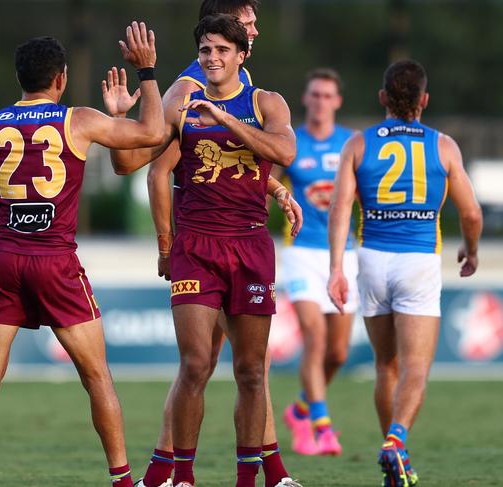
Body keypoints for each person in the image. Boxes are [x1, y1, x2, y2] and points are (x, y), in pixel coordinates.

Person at [0, 25, 163, 487]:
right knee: (97, 377)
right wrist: (145, 71)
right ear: (61, 79)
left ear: (19, 78)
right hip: (55, 263)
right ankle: (123, 480)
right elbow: (153, 130)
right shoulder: (79, 120)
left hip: (4, 260)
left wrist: (15, 200)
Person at [107, 14, 299, 487]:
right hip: (196, 244)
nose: (212, 59)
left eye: (222, 51)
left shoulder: (266, 102)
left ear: (242, 55)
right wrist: (117, 120)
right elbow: (131, 164)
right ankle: (183, 477)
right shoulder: (183, 102)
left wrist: (227, 121)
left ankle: (248, 479)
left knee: (252, 371)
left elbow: (285, 153)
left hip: (251, 245)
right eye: (206, 50)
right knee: (195, 364)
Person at [327, 59, 482, 487]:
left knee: (385, 365)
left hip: (372, 258)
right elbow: (470, 213)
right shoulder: (444, 146)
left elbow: (340, 207)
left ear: (382, 99)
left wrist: (336, 267)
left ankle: (396, 460)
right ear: (424, 101)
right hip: (418, 262)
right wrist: (470, 251)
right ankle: (396, 440)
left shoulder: (358, 144)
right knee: (416, 366)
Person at [277, 68, 356, 456]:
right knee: (315, 336)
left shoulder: (350, 145)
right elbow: (266, 185)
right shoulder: (292, 144)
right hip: (302, 251)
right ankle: (322, 426)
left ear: (337, 102)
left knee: (338, 353)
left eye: (328, 95)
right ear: (305, 100)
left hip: (344, 253)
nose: (321, 101)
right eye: (315, 95)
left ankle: (300, 409)